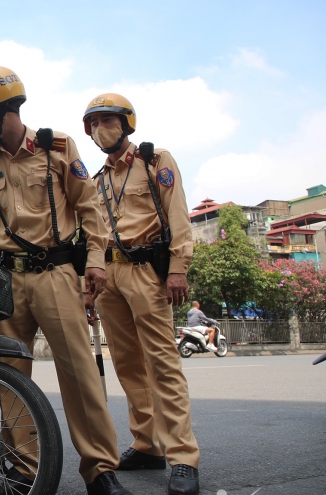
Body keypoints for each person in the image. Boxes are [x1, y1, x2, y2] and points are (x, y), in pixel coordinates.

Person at [0, 66, 132, 495]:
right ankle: (23, 469)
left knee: (80, 375)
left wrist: (95, 261)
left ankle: (100, 470)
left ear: (2, 110)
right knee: (10, 377)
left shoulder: (57, 148)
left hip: (56, 275)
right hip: (4, 282)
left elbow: (89, 208)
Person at [82, 93, 201, 495]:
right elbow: (92, 236)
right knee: (128, 365)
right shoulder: (96, 181)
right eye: (94, 123)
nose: (100, 128)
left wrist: (178, 268)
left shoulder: (154, 161)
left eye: (107, 120)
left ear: (126, 123)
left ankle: (183, 456)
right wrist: (88, 285)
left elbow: (177, 215)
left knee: (162, 363)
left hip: (146, 270)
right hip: (109, 276)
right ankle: (147, 444)